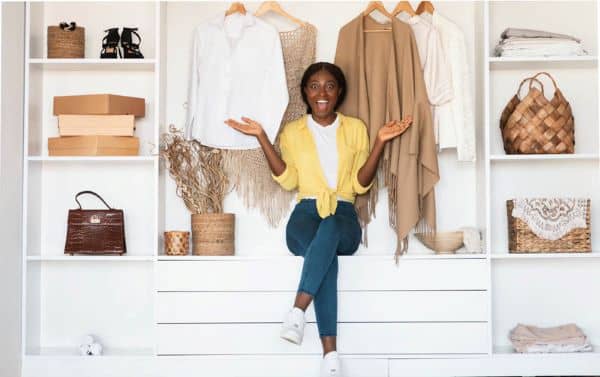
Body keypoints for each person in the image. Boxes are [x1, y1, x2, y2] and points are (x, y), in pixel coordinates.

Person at [225, 62, 411, 377]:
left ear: (339, 92)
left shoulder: (355, 129)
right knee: (326, 250)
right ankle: (330, 357)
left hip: (343, 214)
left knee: (332, 229)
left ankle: (298, 311)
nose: (321, 92)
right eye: (314, 85)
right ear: (306, 92)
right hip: (305, 216)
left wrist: (380, 141)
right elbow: (288, 180)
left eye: (329, 85)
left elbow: (359, 185)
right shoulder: (293, 132)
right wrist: (261, 137)